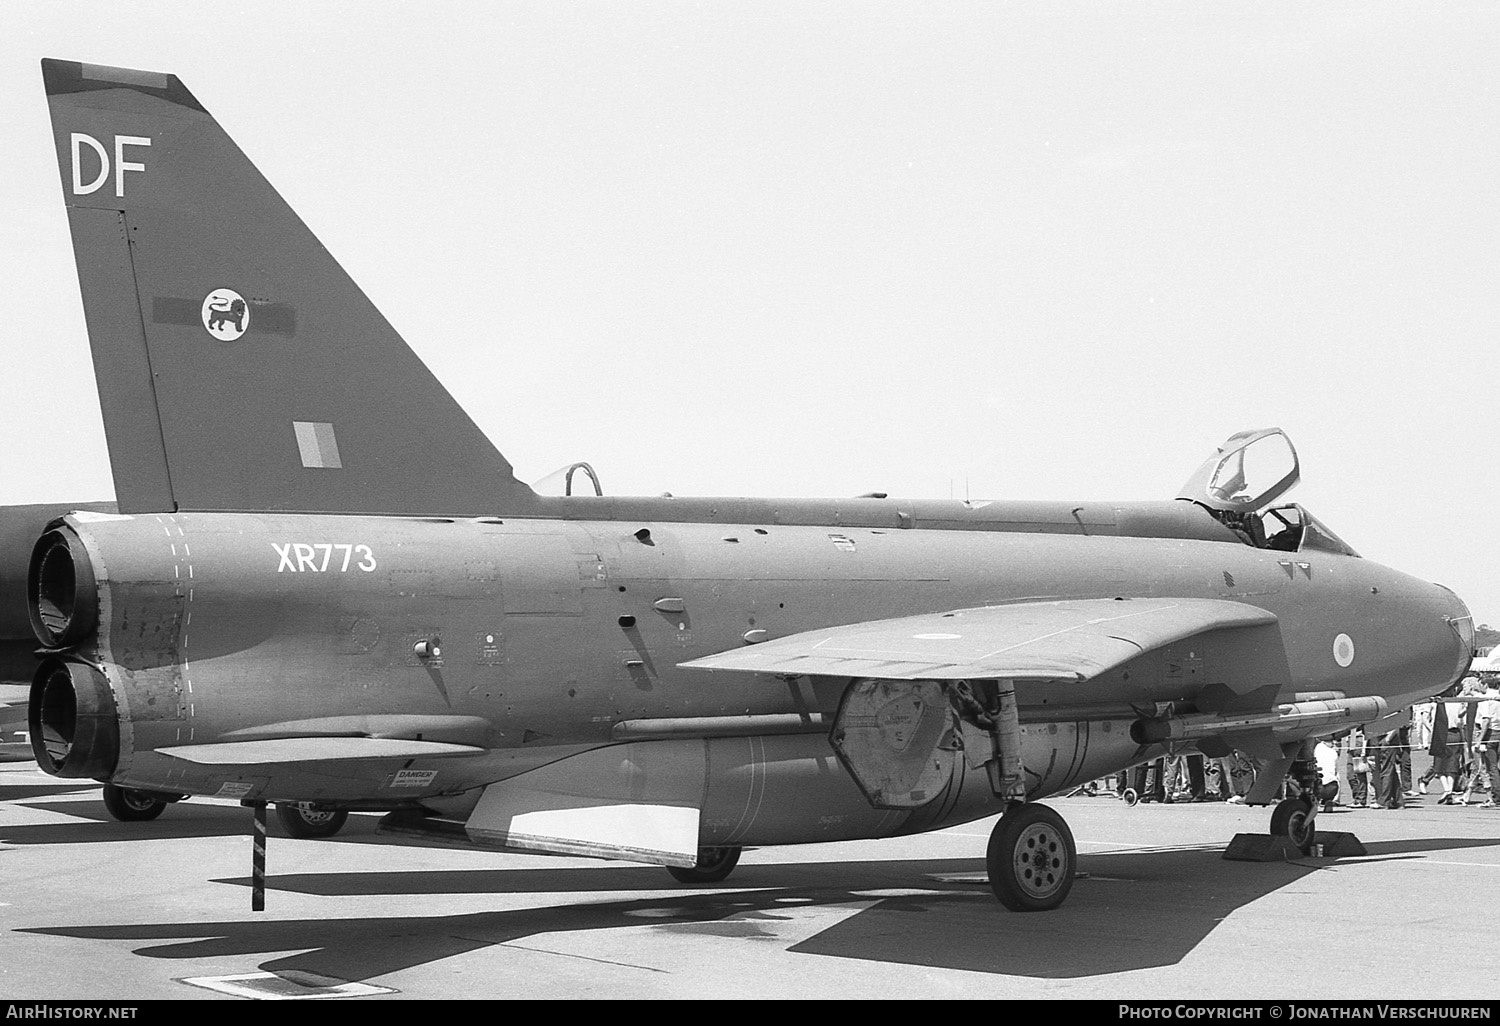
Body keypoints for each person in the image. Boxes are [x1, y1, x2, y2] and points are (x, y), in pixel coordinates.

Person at [1473, 685, 1500, 809]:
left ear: (1485, 685)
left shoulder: (1487, 699)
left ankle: (1496, 798)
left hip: (1491, 733)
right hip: (1498, 731)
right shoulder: (1497, 698)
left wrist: (1479, 739)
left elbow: (1486, 720)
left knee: (1492, 767)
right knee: (1495, 767)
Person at [1346, 727, 1373, 807]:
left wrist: (1363, 751)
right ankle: (1356, 797)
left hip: (1358, 739)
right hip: (1351, 738)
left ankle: (1360, 799)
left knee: (1359, 772)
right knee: (1350, 774)